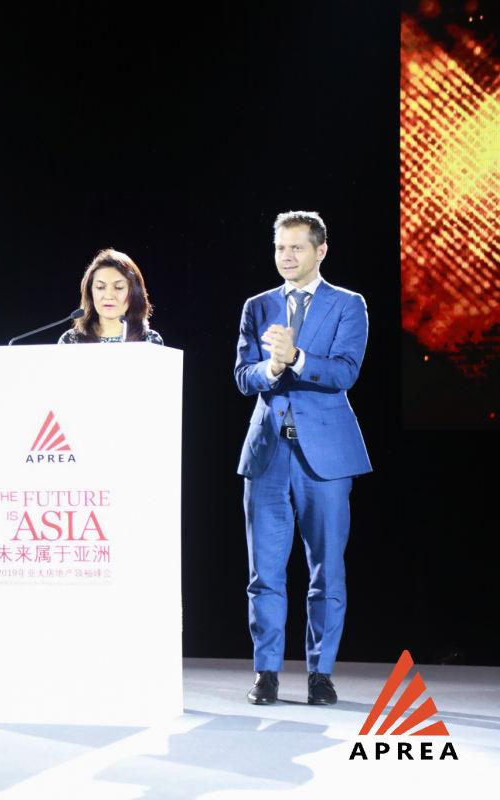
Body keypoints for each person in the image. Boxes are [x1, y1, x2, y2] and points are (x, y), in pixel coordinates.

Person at [234, 210, 371, 706]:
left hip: (325, 455)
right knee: (264, 573)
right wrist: (270, 369)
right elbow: (242, 375)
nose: (286, 256)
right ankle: (266, 672)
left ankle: (321, 673)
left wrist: (296, 359)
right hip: (267, 452)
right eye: (280, 248)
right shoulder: (258, 305)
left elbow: (345, 371)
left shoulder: (348, 304)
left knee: (326, 569)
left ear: (320, 250)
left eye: (296, 247)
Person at [58, 248, 164, 344]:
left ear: (134, 294)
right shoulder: (71, 340)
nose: (108, 296)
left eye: (118, 287)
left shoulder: (149, 340)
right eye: (100, 287)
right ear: (90, 292)